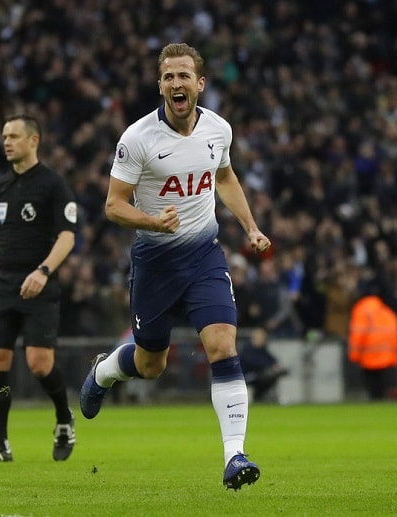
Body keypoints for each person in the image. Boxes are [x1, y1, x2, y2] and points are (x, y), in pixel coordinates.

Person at [79, 43, 272, 490]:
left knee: (223, 344)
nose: (176, 84)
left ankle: (234, 456)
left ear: (200, 83)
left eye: (184, 76)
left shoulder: (218, 129)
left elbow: (224, 177)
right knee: (151, 365)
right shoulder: (138, 138)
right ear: (160, 84)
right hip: (155, 263)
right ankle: (104, 371)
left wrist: (250, 226)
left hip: (205, 255)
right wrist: (151, 221)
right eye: (168, 77)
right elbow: (112, 205)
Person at [0, 114, 78, 463]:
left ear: (34, 141)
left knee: (38, 363)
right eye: (4, 136)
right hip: (2, 284)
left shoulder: (52, 184)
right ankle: (0, 443)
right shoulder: (0, 188)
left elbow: (67, 235)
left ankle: (64, 418)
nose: (6, 142)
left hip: (39, 285)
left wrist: (44, 271)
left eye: (14, 136)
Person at [347, 289, 397, 400]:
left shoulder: (361, 310)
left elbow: (358, 334)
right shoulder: (387, 311)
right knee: (383, 390)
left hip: (369, 357)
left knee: (373, 390)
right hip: (388, 357)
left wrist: (354, 356)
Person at [239, 327, 288, 403]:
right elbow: (253, 363)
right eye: (260, 337)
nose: (262, 340)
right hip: (248, 376)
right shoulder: (247, 350)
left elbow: (273, 360)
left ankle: (271, 397)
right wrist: (269, 367)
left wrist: (277, 366)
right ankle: (259, 397)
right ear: (253, 338)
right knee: (266, 375)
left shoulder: (263, 350)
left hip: (260, 375)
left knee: (273, 374)